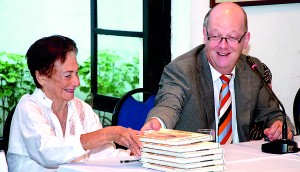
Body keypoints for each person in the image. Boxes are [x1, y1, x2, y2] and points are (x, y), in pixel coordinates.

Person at [141, 2, 294, 143]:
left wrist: (279, 127)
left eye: (232, 37)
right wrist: (158, 122)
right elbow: (169, 105)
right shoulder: (182, 70)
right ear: (205, 35)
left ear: (246, 40)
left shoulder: (253, 69)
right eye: (215, 36)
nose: (223, 46)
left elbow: (273, 114)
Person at [7, 35, 143, 171]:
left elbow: (104, 156)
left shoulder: (82, 109)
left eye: (76, 73)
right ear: (41, 77)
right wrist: (107, 134)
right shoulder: (28, 107)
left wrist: (141, 154)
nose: (77, 82)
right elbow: (47, 153)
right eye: (67, 76)